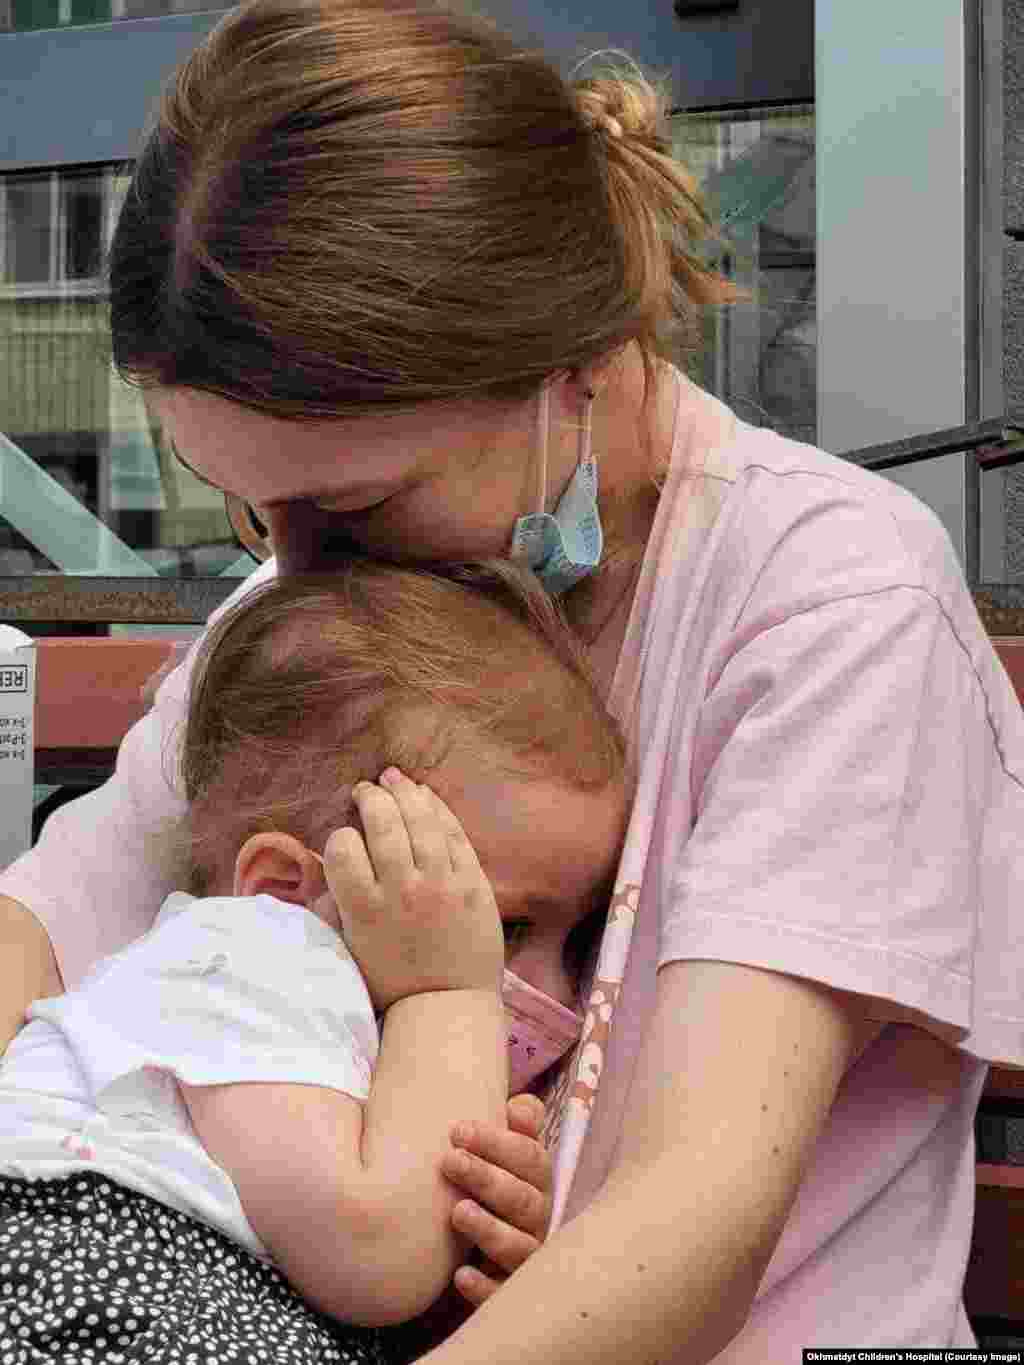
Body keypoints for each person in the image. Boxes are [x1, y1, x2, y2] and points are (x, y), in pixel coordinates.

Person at [1, 0, 1022, 1357]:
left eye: (352, 503)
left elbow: (689, 1229)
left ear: (573, 374)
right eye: (247, 512)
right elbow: (45, 935)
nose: (290, 570)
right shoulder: (334, 600)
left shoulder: (830, 605)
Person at [0, 563, 629, 1360]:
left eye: (578, 941)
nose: (556, 993)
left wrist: (477, 1245)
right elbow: (378, 1257)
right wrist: (450, 991)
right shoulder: (247, 959)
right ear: (286, 888)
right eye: (501, 928)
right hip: (88, 1293)